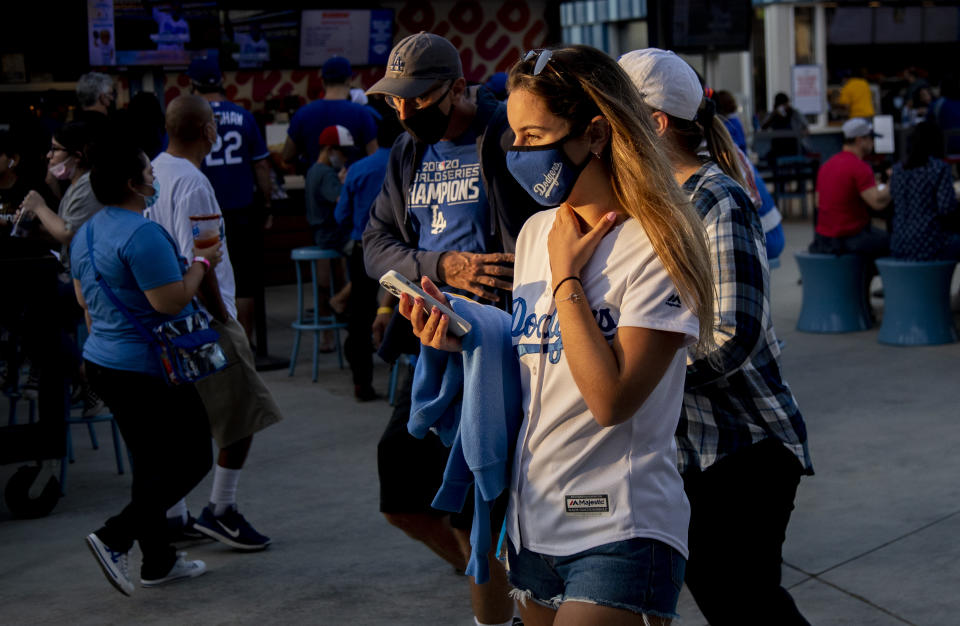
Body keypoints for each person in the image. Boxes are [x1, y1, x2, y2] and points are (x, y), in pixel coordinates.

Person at [404, 44, 717, 625]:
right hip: (535, 521)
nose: (517, 151)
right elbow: (535, 359)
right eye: (515, 136)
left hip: (620, 524)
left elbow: (611, 399)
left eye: (534, 134)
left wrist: (566, 276)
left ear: (595, 133)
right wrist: (463, 337)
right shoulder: (536, 234)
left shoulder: (658, 241)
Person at [621, 48, 813, 625]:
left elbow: (735, 332)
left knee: (745, 602)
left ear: (653, 123)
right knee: (728, 597)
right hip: (687, 451)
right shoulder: (644, 203)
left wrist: (635, 379)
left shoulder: (714, 198)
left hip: (742, 446)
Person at [363, 31, 542, 626]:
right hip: (428, 350)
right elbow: (375, 248)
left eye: (417, 99)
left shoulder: (507, 138)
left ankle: (497, 603)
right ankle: (487, 583)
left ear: (458, 88)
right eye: (396, 101)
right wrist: (444, 266)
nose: (405, 111)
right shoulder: (405, 153)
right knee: (400, 498)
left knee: (492, 504)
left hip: (500, 351)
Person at [72, 133, 218, 594]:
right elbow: (170, 301)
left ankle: (158, 560)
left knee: (150, 462)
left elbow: (83, 299)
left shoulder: (86, 231)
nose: (155, 177)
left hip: (102, 360)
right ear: (135, 184)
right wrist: (201, 262)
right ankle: (115, 536)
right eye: (150, 172)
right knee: (194, 455)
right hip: (145, 368)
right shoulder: (143, 233)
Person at [150, 95, 282, 550]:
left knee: (181, 426)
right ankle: (221, 509)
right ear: (208, 131)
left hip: (166, 315)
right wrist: (224, 318)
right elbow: (202, 258)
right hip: (205, 316)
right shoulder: (195, 184)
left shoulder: (153, 172)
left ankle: (174, 515)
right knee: (243, 414)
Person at [190, 56, 274, 345]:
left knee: (204, 274)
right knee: (244, 281)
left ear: (192, 84)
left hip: (203, 213)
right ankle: (244, 345)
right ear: (222, 81)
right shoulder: (243, 116)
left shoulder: (189, 118)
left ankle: (214, 344)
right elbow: (262, 166)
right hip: (241, 210)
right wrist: (266, 203)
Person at [335, 113, 403, 401]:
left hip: (365, 252)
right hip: (405, 255)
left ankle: (361, 381)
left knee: (359, 318)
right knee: (411, 312)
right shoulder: (410, 163)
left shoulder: (358, 169)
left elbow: (341, 216)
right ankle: (404, 381)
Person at [810, 118, 890, 258]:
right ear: (860, 140)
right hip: (849, 238)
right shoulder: (860, 167)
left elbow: (818, 202)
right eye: (870, 138)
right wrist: (893, 182)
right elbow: (877, 203)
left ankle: (860, 278)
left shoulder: (826, 165)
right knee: (893, 244)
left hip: (823, 239)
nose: (872, 142)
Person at [282, 56, 378, 168]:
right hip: (352, 183)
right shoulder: (362, 113)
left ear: (322, 81)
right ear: (348, 80)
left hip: (316, 182)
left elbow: (287, 156)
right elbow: (374, 156)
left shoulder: (303, 113)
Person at [890, 121, 960, 261]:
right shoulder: (938, 168)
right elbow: (946, 208)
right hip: (930, 244)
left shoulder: (897, 170)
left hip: (898, 244)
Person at [761, 92, 809, 162]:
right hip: (778, 147)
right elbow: (763, 127)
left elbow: (806, 127)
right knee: (768, 158)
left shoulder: (794, 113)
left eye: (785, 104)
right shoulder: (773, 115)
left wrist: (801, 133)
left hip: (794, 147)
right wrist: (774, 115)